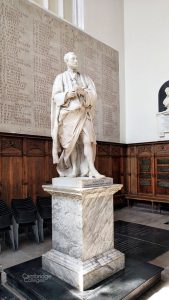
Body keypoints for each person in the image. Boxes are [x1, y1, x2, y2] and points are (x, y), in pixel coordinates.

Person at [51, 52, 104, 178]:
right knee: (72, 143)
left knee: (88, 140)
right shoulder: (60, 78)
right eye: (73, 59)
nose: (76, 60)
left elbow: (94, 95)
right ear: (67, 61)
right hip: (68, 116)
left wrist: (83, 93)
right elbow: (55, 96)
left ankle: (92, 169)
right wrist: (68, 94)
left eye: (76, 58)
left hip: (83, 114)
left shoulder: (86, 78)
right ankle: (74, 169)